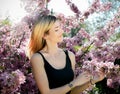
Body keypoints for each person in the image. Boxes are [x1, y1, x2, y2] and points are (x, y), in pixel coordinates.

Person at [28, 15, 105, 94]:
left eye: (61, 28)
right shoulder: (37, 58)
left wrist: (93, 81)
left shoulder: (70, 55)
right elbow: (46, 92)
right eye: (57, 29)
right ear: (44, 35)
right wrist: (75, 82)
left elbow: (71, 92)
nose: (62, 31)